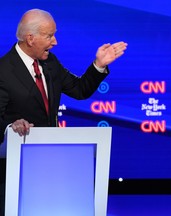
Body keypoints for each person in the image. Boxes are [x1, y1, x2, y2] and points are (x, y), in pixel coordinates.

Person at [0, 8, 127, 215]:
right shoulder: (3, 71)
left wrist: (98, 65)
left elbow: (79, 89)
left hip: (52, 167)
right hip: (14, 174)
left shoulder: (50, 63)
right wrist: (10, 127)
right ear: (30, 38)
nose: (55, 42)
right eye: (49, 36)